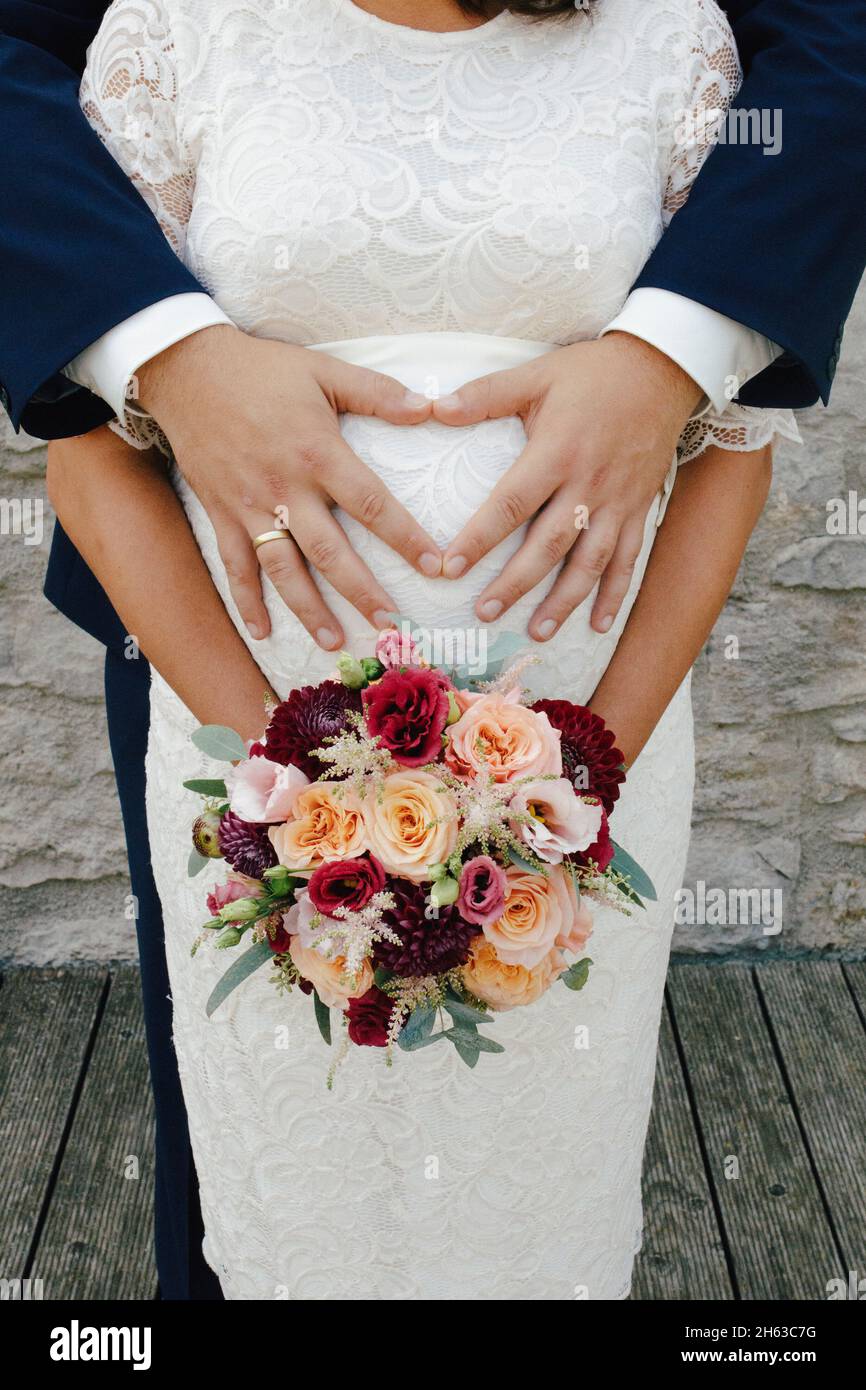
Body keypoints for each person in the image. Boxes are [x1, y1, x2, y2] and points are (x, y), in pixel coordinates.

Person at [2, 0, 864, 1298]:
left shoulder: (670, 36)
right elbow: (88, 452)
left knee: (535, 1198)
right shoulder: (179, 26)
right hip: (247, 750)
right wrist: (280, 789)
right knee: (282, 1190)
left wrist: (588, 773)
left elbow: (733, 444)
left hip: (582, 771)